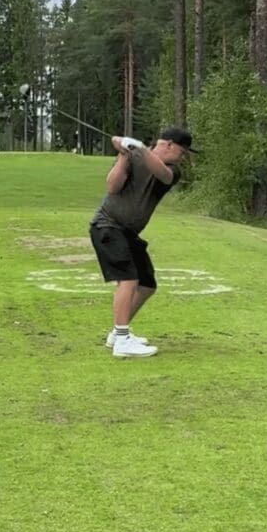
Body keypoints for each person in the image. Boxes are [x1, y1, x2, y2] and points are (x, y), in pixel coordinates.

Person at [89, 126, 196, 358]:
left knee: (147, 284)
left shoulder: (172, 170)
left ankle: (117, 333)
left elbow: (162, 174)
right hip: (108, 225)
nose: (183, 157)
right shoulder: (132, 156)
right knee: (129, 279)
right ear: (169, 144)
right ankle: (122, 341)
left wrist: (139, 148)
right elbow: (112, 186)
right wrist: (123, 154)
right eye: (182, 152)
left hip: (129, 233)